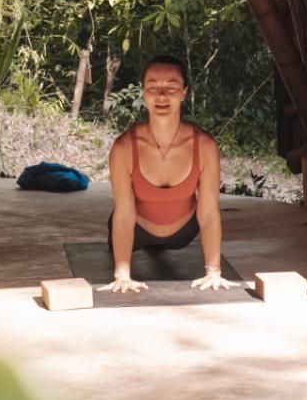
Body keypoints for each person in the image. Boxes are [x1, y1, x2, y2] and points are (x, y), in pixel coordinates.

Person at [100, 55, 236, 295]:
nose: (161, 95)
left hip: (184, 232)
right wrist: (122, 275)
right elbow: (123, 215)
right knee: (119, 231)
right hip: (137, 230)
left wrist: (213, 271)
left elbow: (208, 213)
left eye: (171, 87)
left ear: (183, 92)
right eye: (153, 87)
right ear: (143, 92)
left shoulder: (204, 146)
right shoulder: (124, 147)